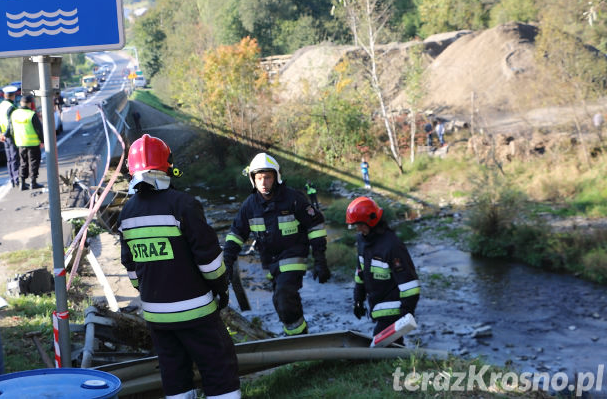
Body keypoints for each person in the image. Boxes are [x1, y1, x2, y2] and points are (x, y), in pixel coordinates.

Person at [118, 134, 240, 399]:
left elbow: (131, 267)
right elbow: (209, 262)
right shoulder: (184, 205)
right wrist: (221, 289)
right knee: (219, 368)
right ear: (167, 166)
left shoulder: (126, 213)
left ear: (131, 170)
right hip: (196, 311)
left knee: (174, 373)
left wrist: (150, 291)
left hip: (156, 316)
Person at [223, 152, 330, 336]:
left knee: (284, 297)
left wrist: (320, 259)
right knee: (281, 304)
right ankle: (297, 337)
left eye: (268, 177)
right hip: (269, 262)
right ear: (253, 180)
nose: (263, 183)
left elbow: (315, 225)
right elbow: (236, 235)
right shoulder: (250, 205)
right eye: (259, 178)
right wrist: (227, 262)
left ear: (276, 177)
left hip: (293, 255)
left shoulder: (293, 198)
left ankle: (299, 341)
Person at [346, 196, 420, 346]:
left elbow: (410, 285)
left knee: (380, 346)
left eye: (360, 224)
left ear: (371, 220)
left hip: (395, 311)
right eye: (355, 225)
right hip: (377, 306)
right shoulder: (362, 241)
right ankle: (400, 366)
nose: (358, 229)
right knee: (391, 348)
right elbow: (360, 272)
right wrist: (358, 299)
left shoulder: (392, 246)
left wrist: (405, 315)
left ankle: (400, 366)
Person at [8, 95, 44, 191]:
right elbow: (39, 129)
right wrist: (42, 140)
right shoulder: (31, 114)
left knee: (23, 163)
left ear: (20, 103)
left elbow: (11, 129)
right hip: (32, 143)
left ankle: (22, 183)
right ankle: (33, 182)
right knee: (33, 162)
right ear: (29, 104)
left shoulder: (14, 114)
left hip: (20, 142)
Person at [0, 85, 20, 187]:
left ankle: (12, 179)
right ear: (13, 96)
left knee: (9, 158)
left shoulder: (0, 106)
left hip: (4, 136)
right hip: (11, 135)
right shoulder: (11, 107)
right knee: (15, 157)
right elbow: (11, 123)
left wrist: (0, 134)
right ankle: (17, 178)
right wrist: (5, 134)